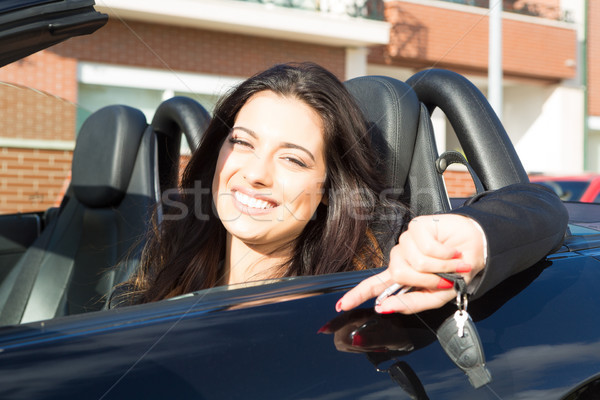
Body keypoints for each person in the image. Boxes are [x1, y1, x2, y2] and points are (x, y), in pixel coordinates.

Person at [114, 62, 568, 314]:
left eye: (292, 158)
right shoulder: (170, 248)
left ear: (329, 189)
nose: (255, 173)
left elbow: (538, 206)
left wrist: (472, 238)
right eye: (243, 143)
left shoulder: (375, 272)